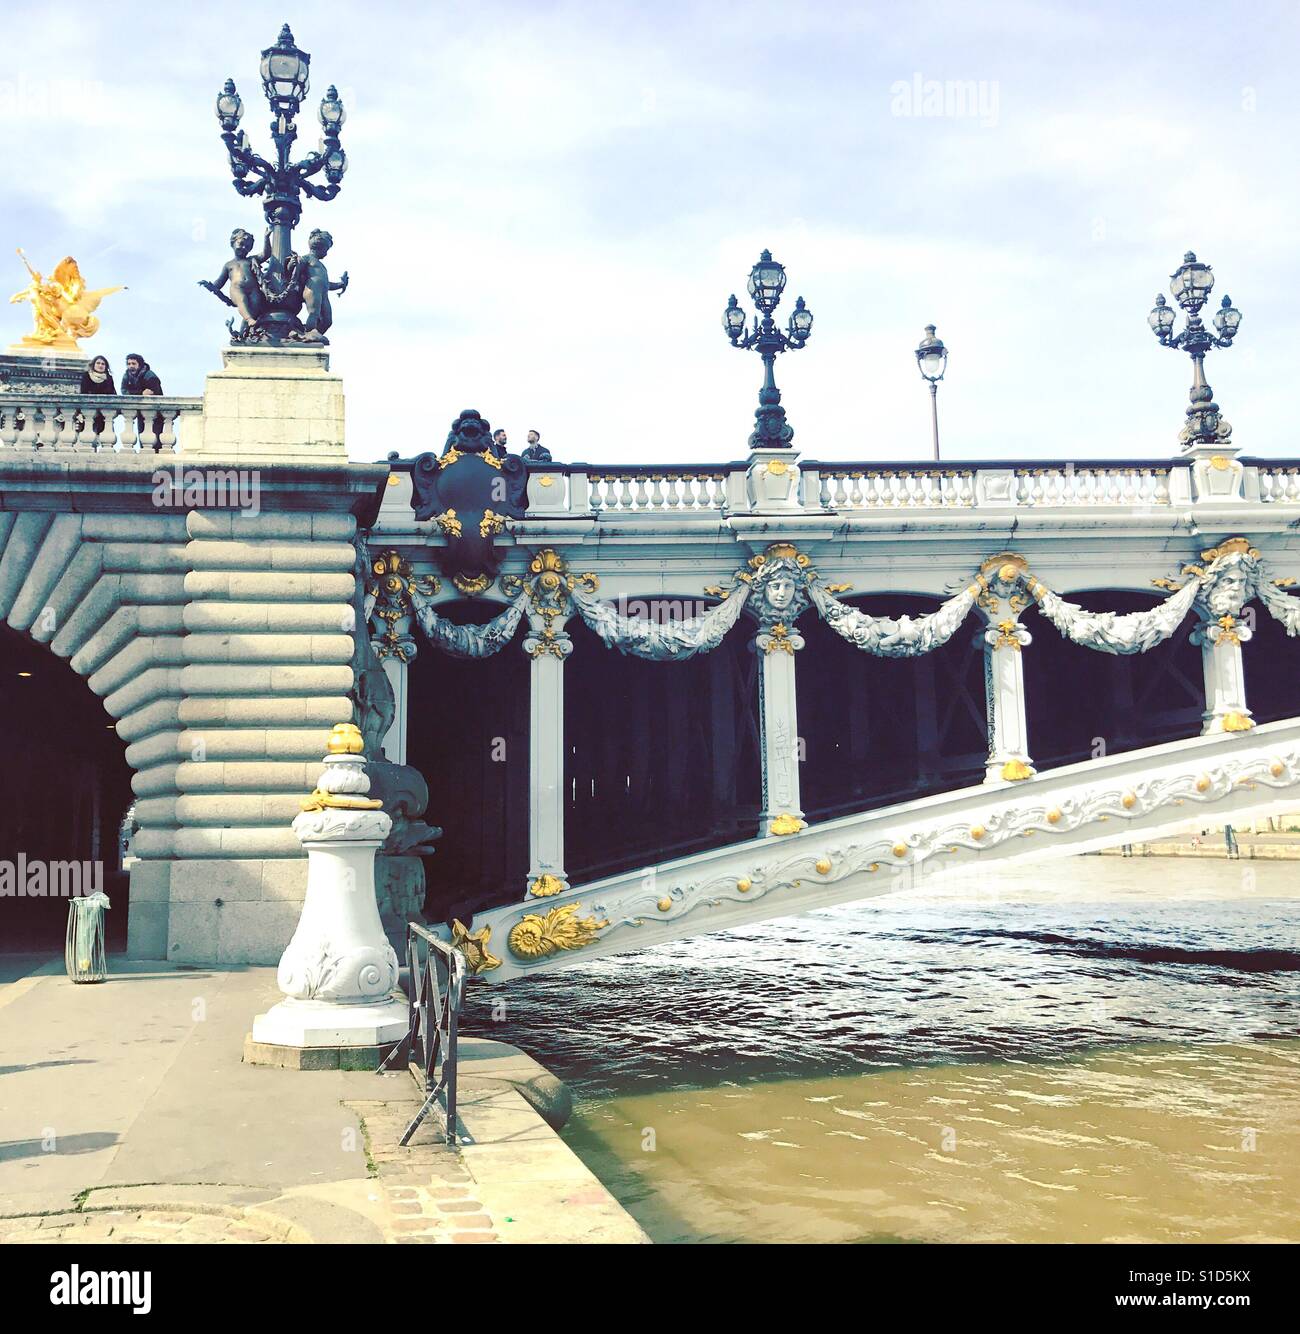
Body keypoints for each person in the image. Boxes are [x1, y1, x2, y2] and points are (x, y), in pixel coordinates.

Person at [121, 353, 164, 441]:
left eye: (133, 363)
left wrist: (136, 393)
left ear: (139, 364)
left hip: (155, 412)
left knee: (156, 438)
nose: (131, 366)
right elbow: (124, 392)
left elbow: (153, 391)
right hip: (141, 411)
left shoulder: (150, 375)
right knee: (143, 438)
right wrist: (141, 393)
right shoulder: (126, 377)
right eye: (129, 364)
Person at [77, 354, 116, 436]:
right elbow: (83, 393)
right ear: (93, 365)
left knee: (104, 435)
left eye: (103, 364)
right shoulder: (86, 376)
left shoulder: (108, 378)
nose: (100, 365)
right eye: (98, 363)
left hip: (104, 412)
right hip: (89, 410)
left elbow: (112, 393)